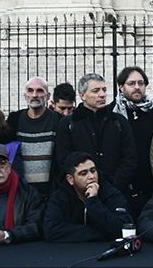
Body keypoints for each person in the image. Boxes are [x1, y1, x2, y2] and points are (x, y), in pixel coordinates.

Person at [53, 73, 138, 201]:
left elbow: (129, 158)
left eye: (104, 90)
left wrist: (113, 185)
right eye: (96, 91)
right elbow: (64, 159)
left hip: (115, 193)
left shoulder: (119, 122)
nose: (102, 94)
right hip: (79, 196)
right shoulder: (68, 124)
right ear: (82, 95)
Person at [42, 151, 132, 242]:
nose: (91, 176)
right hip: (68, 252)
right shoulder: (59, 197)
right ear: (70, 179)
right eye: (83, 173)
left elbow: (123, 229)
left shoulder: (110, 192)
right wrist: (101, 233)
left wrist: (93, 202)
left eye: (93, 170)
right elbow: (51, 230)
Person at [113, 66, 153, 216]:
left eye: (141, 83)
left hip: (150, 183)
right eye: (131, 83)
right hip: (122, 183)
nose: (137, 87)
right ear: (121, 87)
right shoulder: (112, 113)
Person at [8, 77, 64, 196]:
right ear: (25, 95)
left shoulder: (58, 121)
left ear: (48, 96)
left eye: (40, 91)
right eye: (30, 90)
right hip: (21, 193)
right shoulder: (14, 121)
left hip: (51, 192)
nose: (34, 95)